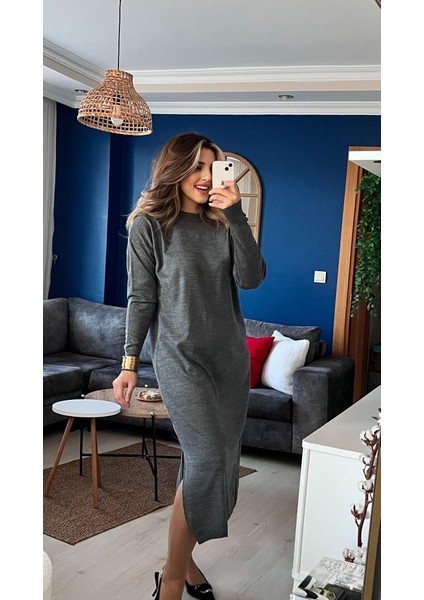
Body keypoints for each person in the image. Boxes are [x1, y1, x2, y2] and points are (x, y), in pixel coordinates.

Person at [113, 132, 266, 600]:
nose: (205, 176)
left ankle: (183, 563)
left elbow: (251, 279)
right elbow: (141, 298)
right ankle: (173, 581)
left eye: (212, 166)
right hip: (180, 360)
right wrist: (129, 363)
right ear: (175, 169)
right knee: (205, 463)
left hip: (229, 361)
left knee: (216, 463)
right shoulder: (148, 226)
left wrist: (236, 215)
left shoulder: (224, 222)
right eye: (196, 166)